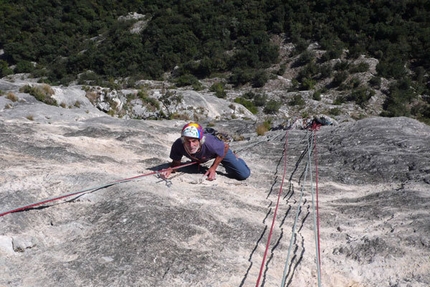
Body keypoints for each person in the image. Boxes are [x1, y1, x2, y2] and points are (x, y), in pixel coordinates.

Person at [161, 122, 251, 181]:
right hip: (202, 156)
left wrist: (213, 167)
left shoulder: (210, 143)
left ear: (200, 140)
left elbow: (225, 147)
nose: (191, 145)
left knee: (243, 174)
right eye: (188, 141)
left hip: (219, 151)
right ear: (183, 140)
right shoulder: (178, 145)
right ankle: (198, 159)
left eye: (194, 141)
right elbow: (176, 163)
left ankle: (237, 159)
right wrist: (171, 169)